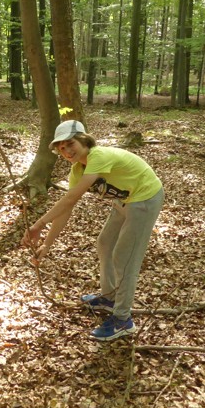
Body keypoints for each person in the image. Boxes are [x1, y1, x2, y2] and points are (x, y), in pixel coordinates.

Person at [23, 120, 164, 341]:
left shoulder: (98, 156)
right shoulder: (78, 169)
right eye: (61, 148)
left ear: (83, 139)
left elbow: (70, 197)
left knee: (124, 257)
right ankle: (109, 298)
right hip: (124, 200)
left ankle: (122, 319)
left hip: (144, 199)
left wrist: (38, 225)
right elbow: (67, 208)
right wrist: (47, 244)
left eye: (70, 144)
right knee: (105, 244)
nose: (67, 151)